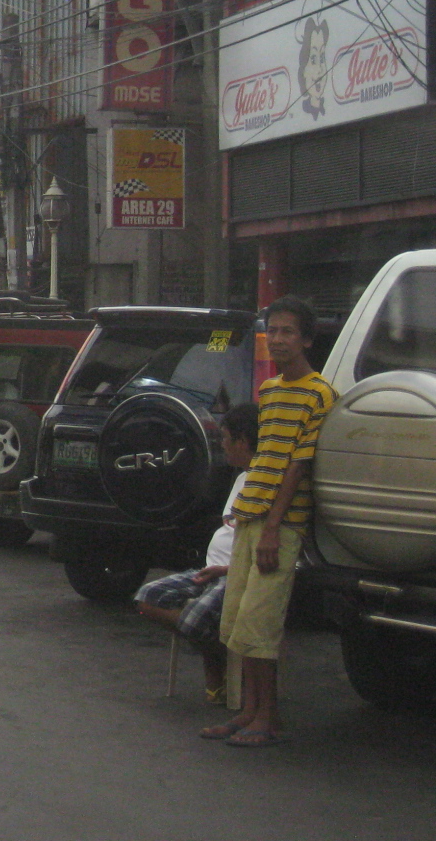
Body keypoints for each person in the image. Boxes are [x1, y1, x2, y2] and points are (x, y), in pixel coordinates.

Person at [201, 296, 336, 748]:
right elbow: (267, 457)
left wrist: (274, 528)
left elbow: (298, 464)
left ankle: (268, 717)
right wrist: (248, 516)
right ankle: (248, 711)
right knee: (239, 621)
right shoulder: (270, 390)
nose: (278, 339)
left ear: (307, 340)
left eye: (287, 332)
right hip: (249, 515)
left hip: (281, 523)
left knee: (260, 625)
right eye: (272, 331)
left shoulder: (320, 393)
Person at [135, 403, 259, 704]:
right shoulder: (241, 479)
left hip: (233, 574)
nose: (222, 445)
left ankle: (218, 670)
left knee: (194, 621)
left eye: (225, 438)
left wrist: (226, 570)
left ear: (243, 441)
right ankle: (219, 653)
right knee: (147, 597)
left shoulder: (264, 484)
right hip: (210, 569)